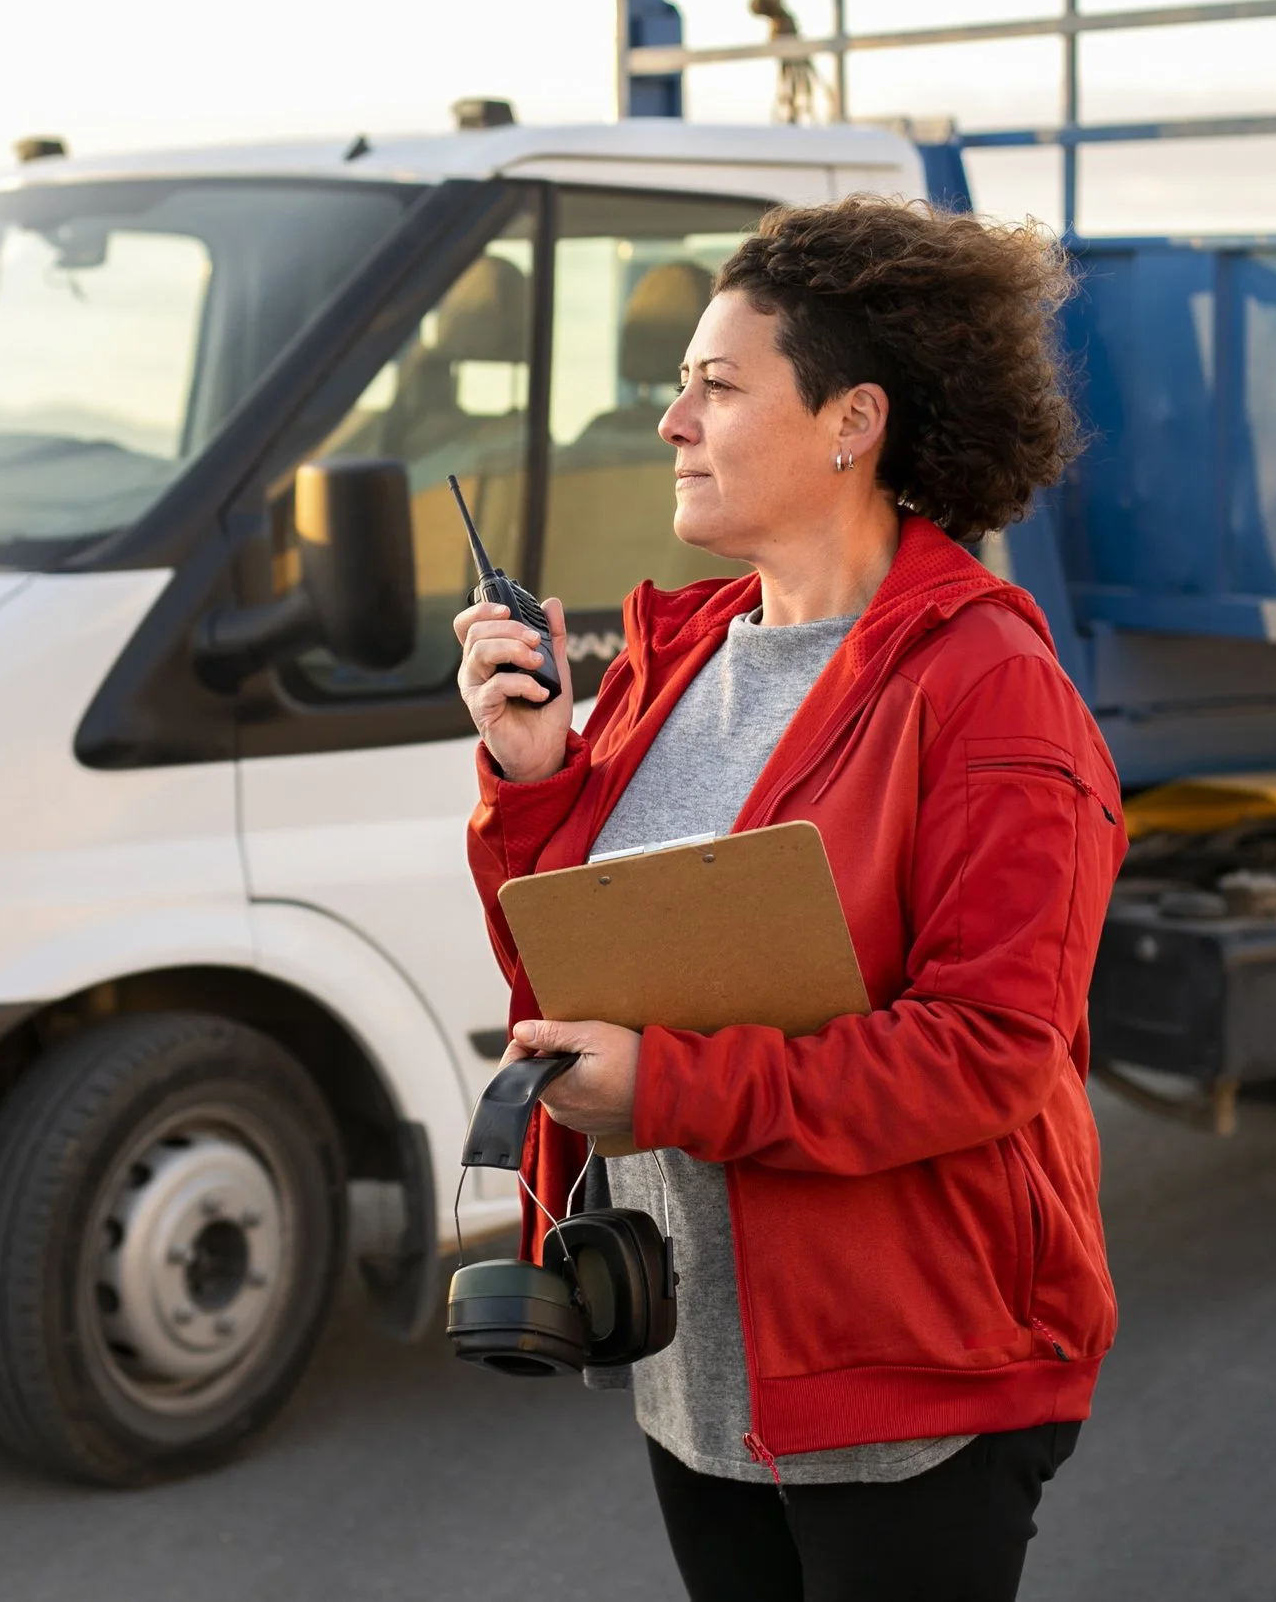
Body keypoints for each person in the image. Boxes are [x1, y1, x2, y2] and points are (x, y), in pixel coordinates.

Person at [457, 196, 1125, 1602]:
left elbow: (991, 1053)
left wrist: (671, 1090)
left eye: (714, 384)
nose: (671, 422)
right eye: (678, 388)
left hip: (904, 1380)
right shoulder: (680, 654)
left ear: (850, 421)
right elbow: (582, 956)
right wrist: (532, 777)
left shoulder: (989, 689)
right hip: (699, 1356)